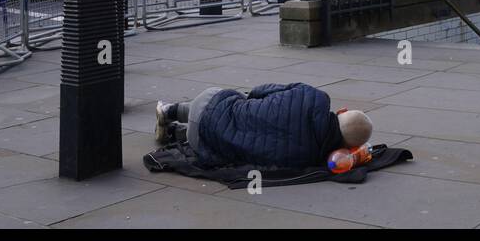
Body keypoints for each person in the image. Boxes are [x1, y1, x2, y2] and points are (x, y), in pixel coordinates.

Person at [153, 83, 373, 170]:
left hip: (206, 102)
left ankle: (170, 111)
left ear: (342, 111)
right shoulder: (311, 158)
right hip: (202, 142)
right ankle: (174, 133)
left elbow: (261, 90)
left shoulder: (314, 96)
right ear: (345, 146)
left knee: (229, 103)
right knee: (229, 134)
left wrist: (249, 101)